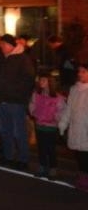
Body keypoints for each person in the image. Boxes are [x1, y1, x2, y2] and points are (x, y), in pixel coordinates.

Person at [0, 33, 36, 170]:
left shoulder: (23, 59)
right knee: (5, 131)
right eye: (1, 45)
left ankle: (23, 159)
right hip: (3, 101)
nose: (2, 47)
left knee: (19, 132)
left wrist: (16, 94)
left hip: (16, 101)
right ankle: (8, 156)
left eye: (4, 45)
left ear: (11, 45)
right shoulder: (4, 59)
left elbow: (28, 80)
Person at [29, 71, 65, 179]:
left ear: (50, 82)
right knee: (41, 147)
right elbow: (31, 104)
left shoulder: (57, 97)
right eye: (40, 80)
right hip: (40, 125)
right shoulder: (37, 94)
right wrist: (34, 113)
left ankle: (53, 168)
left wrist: (55, 118)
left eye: (43, 80)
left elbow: (62, 110)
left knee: (51, 148)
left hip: (51, 127)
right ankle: (42, 166)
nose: (41, 82)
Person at [59, 63, 88, 192]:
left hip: (86, 128)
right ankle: (82, 176)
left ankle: (84, 178)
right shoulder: (74, 89)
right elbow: (69, 108)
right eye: (79, 71)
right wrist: (63, 123)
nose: (80, 74)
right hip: (76, 127)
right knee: (79, 154)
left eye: (84, 72)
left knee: (85, 155)